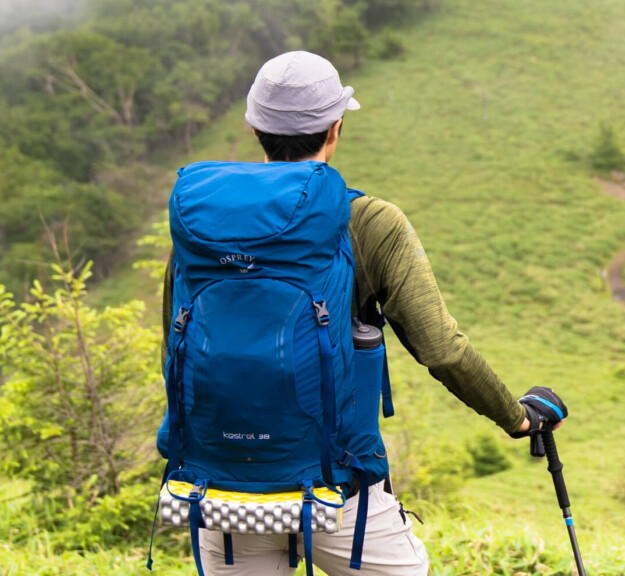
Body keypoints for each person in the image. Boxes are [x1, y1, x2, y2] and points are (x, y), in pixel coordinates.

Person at [160, 50, 568, 576]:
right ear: (335, 129)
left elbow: (174, 348)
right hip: (340, 487)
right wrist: (516, 416)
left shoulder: (200, 221)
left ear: (253, 126)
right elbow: (441, 349)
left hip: (223, 488)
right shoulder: (370, 221)